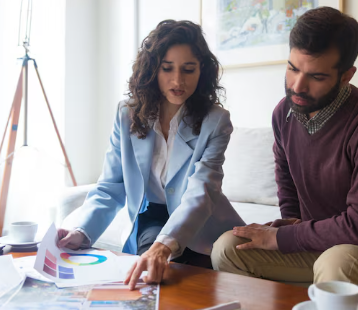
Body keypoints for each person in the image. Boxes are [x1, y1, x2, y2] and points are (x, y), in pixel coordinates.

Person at [211, 7, 358, 302]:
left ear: (346, 76)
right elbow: (287, 184)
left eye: (316, 76)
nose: (297, 86)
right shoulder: (284, 113)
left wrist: (280, 238)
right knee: (228, 247)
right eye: (292, 68)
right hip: (322, 240)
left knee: (336, 265)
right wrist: (289, 225)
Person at [57, 20, 244, 290]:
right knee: (151, 280)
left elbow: (202, 192)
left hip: (202, 223)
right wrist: (81, 231)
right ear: (152, 69)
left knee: (205, 286)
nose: (178, 80)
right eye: (167, 68)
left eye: (188, 69)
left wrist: (166, 245)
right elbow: (111, 186)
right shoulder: (126, 115)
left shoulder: (215, 121)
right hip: (151, 219)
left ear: (201, 71)